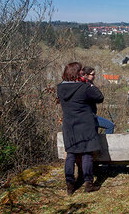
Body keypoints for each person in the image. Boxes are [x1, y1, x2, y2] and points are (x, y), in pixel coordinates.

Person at [57, 62, 104, 195]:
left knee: (71, 154)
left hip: (69, 125)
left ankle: (70, 185)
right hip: (85, 124)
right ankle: (88, 183)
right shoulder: (84, 87)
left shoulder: (60, 88)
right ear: (79, 74)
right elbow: (99, 97)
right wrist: (88, 82)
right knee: (87, 153)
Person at [82, 66, 115, 134]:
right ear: (86, 75)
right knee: (110, 125)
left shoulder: (84, 84)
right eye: (92, 74)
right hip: (89, 115)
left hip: (90, 114)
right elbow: (100, 97)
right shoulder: (88, 85)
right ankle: (107, 144)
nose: (94, 76)